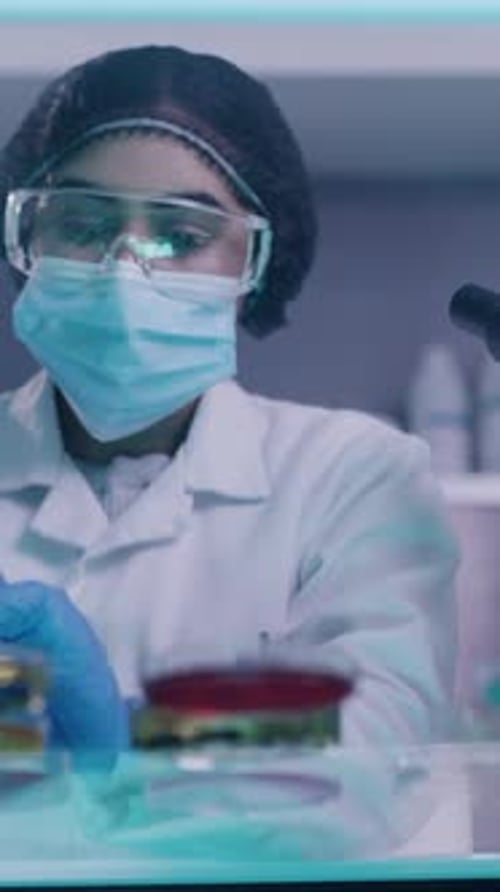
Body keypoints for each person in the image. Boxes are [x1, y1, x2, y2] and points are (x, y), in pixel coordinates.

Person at [0, 44, 459, 756]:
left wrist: (131, 738)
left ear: (255, 268)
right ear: (26, 239)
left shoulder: (352, 475)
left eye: (182, 236)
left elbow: (375, 741)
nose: (126, 270)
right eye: (85, 226)